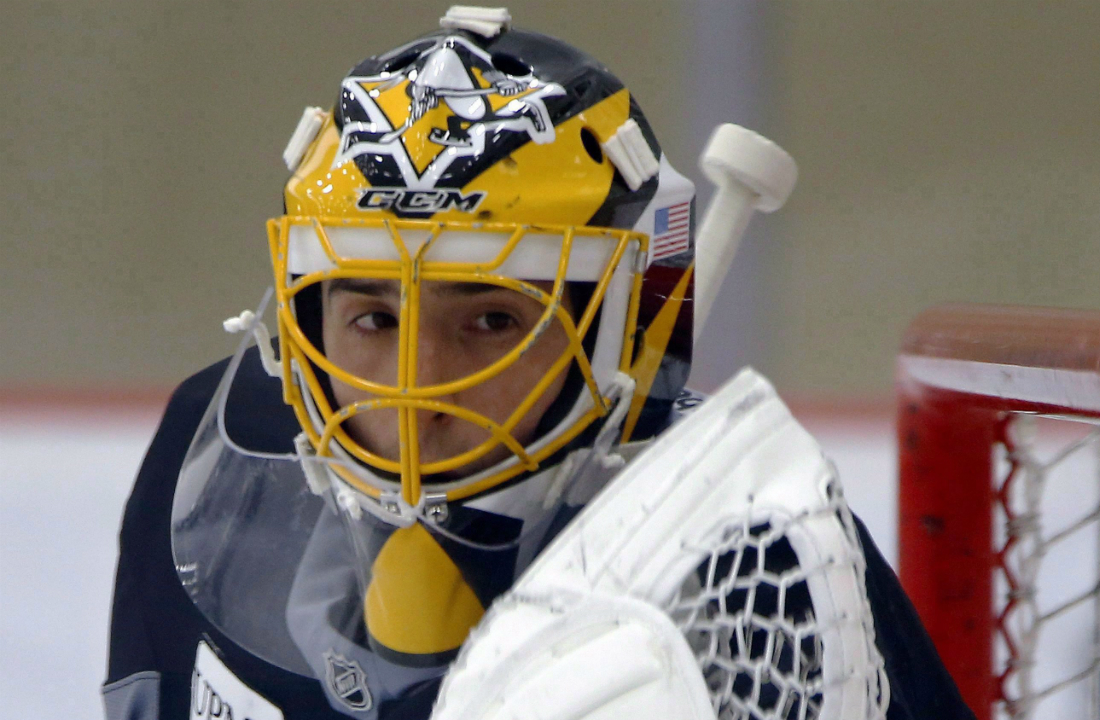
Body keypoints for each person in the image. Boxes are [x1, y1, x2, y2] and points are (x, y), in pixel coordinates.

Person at [103, 7, 975, 720]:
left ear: (622, 332)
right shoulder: (209, 470)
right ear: (299, 320)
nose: (418, 390)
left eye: (490, 318)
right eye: (372, 316)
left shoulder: (750, 563)